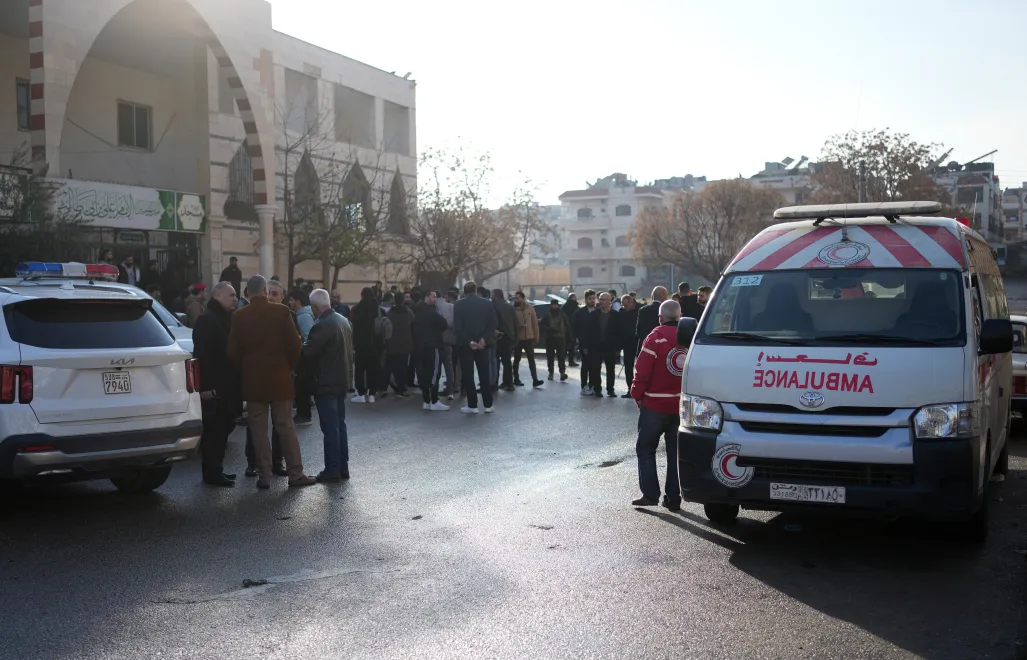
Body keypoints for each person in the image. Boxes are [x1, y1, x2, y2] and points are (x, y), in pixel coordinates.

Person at [227, 275, 316, 489]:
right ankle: (296, 474)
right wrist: (288, 367)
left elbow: (232, 352)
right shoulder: (281, 312)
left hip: (253, 382)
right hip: (279, 379)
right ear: (266, 291)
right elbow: (295, 345)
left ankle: (264, 476)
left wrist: (245, 370)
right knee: (286, 427)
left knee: (258, 429)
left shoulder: (239, 316)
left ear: (248, 293)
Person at [630, 300, 684, 511]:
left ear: (660, 318)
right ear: (680, 316)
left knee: (645, 448)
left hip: (654, 404)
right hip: (681, 405)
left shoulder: (654, 337)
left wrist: (636, 394)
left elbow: (642, 370)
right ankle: (673, 497)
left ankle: (650, 494)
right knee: (675, 453)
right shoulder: (691, 337)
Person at [301, 289, 354, 482]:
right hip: (341, 380)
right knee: (339, 425)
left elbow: (308, 353)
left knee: (330, 428)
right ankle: (342, 467)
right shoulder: (343, 320)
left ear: (315, 306)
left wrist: (299, 344)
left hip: (326, 383)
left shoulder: (322, 325)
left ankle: (332, 470)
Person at [192, 282, 240, 487]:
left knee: (222, 430)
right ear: (218, 296)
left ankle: (216, 469)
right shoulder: (208, 320)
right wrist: (205, 389)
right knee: (214, 431)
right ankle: (212, 472)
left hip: (225, 386)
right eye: (232, 295)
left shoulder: (223, 318)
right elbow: (203, 356)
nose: (235, 299)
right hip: (214, 388)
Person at [243, 279, 287, 475]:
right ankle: (253, 462)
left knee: (281, 425)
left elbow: (295, 347)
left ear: (282, 297)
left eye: (275, 293)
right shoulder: (249, 315)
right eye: (268, 292)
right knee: (255, 425)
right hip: (257, 379)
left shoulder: (287, 315)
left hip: (280, 378)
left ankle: (278, 462)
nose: (270, 297)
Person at [453, 281, 496, 413]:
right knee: (484, 374)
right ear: (476, 290)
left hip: (466, 345)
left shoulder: (459, 304)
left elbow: (458, 327)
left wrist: (469, 341)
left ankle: (473, 405)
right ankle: (488, 405)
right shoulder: (487, 303)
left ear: (464, 292)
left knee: (468, 375)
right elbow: (493, 323)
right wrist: (483, 339)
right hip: (483, 344)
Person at [413, 290, 450, 411]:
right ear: (426, 297)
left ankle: (426, 400)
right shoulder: (431, 312)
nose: (435, 299)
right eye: (433, 296)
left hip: (419, 346)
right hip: (432, 346)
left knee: (423, 374)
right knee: (434, 373)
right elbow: (444, 323)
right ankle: (434, 400)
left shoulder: (416, 311)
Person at [350, 287, 384, 403]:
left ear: (362, 295)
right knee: (373, 369)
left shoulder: (358, 309)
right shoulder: (378, 309)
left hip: (361, 344)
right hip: (375, 344)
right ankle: (372, 394)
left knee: (360, 369)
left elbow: (353, 326)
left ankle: (360, 393)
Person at [287, 287, 315, 426]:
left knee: (301, 387)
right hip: (302, 357)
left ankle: (304, 414)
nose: (289, 302)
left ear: (298, 301)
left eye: (291, 300)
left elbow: (307, 338)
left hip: (302, 358)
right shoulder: (303, 314)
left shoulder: (303, 317)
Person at [585, 292, 621, 397]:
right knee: (596, 368)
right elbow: (589, 332)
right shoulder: (594, 315)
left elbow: (619, 332)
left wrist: (618, 347)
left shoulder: (616, 315)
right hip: (596, 346)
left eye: (603, 299)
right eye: (600, 299)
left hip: (610, 346)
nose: (600, 301)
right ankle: (598, 389)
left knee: (610, 369)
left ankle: (610, 389)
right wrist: (587, 346)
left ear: (609, 301)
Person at [385, 293, 415, 398]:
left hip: (392, 343)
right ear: (402, 300)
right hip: (405, 343)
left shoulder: (389, 313)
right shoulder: (409, 313)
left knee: (393, 366)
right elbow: (413, 326)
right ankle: (402, 388)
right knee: (403, 366)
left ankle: (393, 385)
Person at [512, 291, 543, 388]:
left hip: (529, 338)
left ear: (522, 298)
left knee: (531, 360)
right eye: (515, 298)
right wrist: (518, 327)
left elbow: (535, 323)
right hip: (518, 338)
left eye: (518, 298)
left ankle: (535, 379)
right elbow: (511, 324)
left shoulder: (530, 308)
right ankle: (516, 378)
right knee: (517, 359)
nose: (516, 300)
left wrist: (536, 337)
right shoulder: (513, 309)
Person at [572, 289, 597, 395]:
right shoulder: (579, 312)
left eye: (593, 298)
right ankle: (584, 385)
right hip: (584, 344)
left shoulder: (598, 311)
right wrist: (580, 342)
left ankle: (592, 385)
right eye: (590, 299)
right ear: (586, 299)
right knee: (585, 365)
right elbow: (575, 328)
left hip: (596, 344)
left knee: (594, 366)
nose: (592, 301)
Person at [539, 298, 571, 381]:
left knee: (561, 357)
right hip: (550, 339)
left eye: (556, 305)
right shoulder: (547, 315)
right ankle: (551, 373)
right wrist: (549, 329)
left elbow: (567, 326)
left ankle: (562, 373)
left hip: (561, 339)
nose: (554, 306)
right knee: (550, 357)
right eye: (553, 305)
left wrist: (570, 338)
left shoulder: (562, 314)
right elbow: (541, 325)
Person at [492, 288, 516, 392]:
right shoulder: (510, 307)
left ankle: (494, 383)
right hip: (508, 337)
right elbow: (515, 323)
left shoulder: (493, 306)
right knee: (507, 361)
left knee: (495, 361)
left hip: (496, 337)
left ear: (496, 296)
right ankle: (509, 383)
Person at [618, 294, 640, 397]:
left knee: (642, 366)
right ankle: (630, 389)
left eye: (626, 305)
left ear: (631, 301)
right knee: (628, 367)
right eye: (623, 306)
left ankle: (641, 389)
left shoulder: (640, 309)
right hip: (627, 343)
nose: (624, 308)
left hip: (639, 341)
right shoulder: (622, 312)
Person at [636, 286, 668, 354]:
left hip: (645, 347)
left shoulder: (642, 310)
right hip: (660, 348)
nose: (667, 298)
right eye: (666, 295)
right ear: (661, 296)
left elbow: (638, 331)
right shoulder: (665, 310)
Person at [562, 293, 580, 368]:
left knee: (565, 346)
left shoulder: (564, 306)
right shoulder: (575, 306)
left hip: (566, 329)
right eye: (575, 297)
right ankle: (570, 361)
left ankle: (562, 361)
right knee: (571, 346)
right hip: (572, 329)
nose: (576, 299)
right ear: (572, 298)